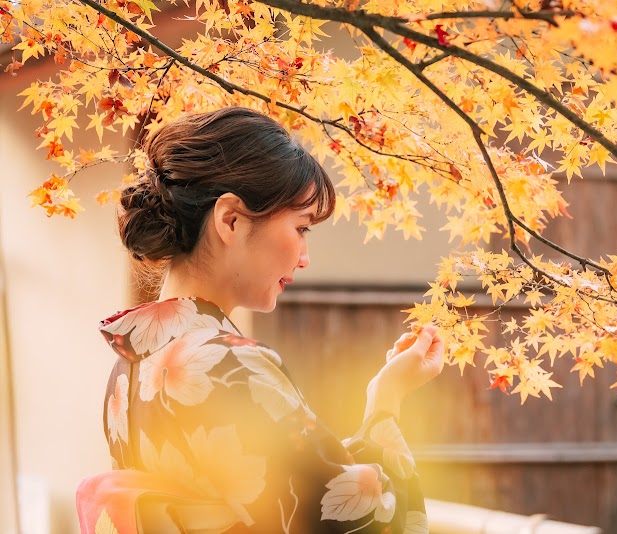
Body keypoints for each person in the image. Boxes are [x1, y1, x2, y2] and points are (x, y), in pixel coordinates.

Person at [75, 107, 444, 533]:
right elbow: (362, 517)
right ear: (230, 220)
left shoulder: (129, 367)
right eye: (302, 228)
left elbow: (284, 490)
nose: (305, 258)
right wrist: (387, 402)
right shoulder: (227, 363)